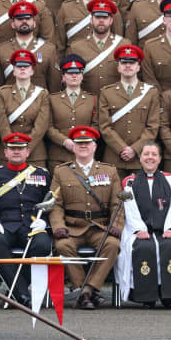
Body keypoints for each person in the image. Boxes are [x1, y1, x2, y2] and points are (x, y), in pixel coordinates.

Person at [48, 126, 119, 308]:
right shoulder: (61, 172)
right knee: (63, 246)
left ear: (95, 146)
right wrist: (58, 227)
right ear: (74, 147)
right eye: (79, 144)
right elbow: (55, 204)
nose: (83, 146)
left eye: (87, 143)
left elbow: (117, 204)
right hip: (73, 228)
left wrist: (116, 224)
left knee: (112, 245)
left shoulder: (109, 171)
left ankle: (87, 290)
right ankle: (85, 289)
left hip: (99, 227)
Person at [118, 141, 171, 307]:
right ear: (140, 158)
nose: (150, 158)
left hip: (165, 229)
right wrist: (139, 229)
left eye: (154, 154)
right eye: (146, 154)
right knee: (144, 248)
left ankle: (170, 294)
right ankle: (147, 296)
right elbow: (129, 208)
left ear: (160, 159)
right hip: (140, 230)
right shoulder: (129, 182)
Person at [0, 132, 52, 305]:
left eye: (20, 149)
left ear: (28, 152)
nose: (16, 152)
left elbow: (50, 202)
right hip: (5, 224)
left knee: (43, 244)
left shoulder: (42, 174)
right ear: (5, 152)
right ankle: (22, 293)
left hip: (31, 225)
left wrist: (44, 221)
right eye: (12, 148)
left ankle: (17, 289)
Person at [98, 45, 160, 176]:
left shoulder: (150, 92)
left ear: (138, 67)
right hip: (114, 156)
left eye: (132, 63)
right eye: (124, 62)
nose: (128, 66)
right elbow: (105, 126)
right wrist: (122, 149)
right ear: (118, 67)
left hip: (140, 157)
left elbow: (153, 126)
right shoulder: (106, 92)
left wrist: (134, 149)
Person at [0, 49, 50, 168]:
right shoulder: (3, 92)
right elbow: (2, 123)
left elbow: (41, 125)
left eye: (26, 66)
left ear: (32, 71)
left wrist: (26, 149)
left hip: (35, 153)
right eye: (19, 66)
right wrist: (12, 148)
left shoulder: (42, 94)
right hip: (7, 153)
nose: (23, 69)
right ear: (13, 71)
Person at [0, 1, 61, 93]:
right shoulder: (1, 49)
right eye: (20, 19)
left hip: (40, 103)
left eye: (28, 18)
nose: (24, 21)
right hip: (12, 104)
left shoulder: (48, 49)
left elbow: (54, 85)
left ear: (34, 23)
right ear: (13, 24)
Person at [66, 0, 129, 94]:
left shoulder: (123, 45)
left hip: (115, 101)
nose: (101, 21)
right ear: (91, 20)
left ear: (111, 20)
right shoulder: (76, 47)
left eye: (105, 17)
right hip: (87, 102)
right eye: (97, 17)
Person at [47, 55, 97, 173]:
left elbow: (96, 124)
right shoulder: (52, 99)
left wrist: (84, 141)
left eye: (78, 73)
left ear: (82, 76)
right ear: (63, 77)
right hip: (58, 156)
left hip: (85, 155)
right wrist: (65, 141)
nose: (74, 76)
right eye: (69, 73)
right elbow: (48, 127)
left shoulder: (92, 99)